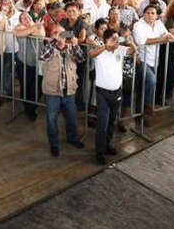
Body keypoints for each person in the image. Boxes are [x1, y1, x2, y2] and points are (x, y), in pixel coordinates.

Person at [89, 29, 135, 164]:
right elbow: (91, 54)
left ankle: (107, 144)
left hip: (116, 92)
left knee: (112, 121)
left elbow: (133, 51)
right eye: (114, 38)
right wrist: (106, 45)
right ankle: (99, 152)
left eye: (117, 38)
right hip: (102, 92)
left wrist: (131, 43)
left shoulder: (120, 49)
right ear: (107, 39)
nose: (117, 40)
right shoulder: (100, 51)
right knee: (102, 123)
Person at [39, 28, 86, 159]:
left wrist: (76, 44)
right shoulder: (49, 47)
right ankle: (54, 144)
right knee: (51, 119)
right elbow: (42, 56)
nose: (61, 36)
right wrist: (54, 40)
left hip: (69, 90)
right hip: (52, 91)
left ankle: (73, 138)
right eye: (57, 33)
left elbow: (81, 58)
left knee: (71, 117)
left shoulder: (71, 49)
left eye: (63, 33)